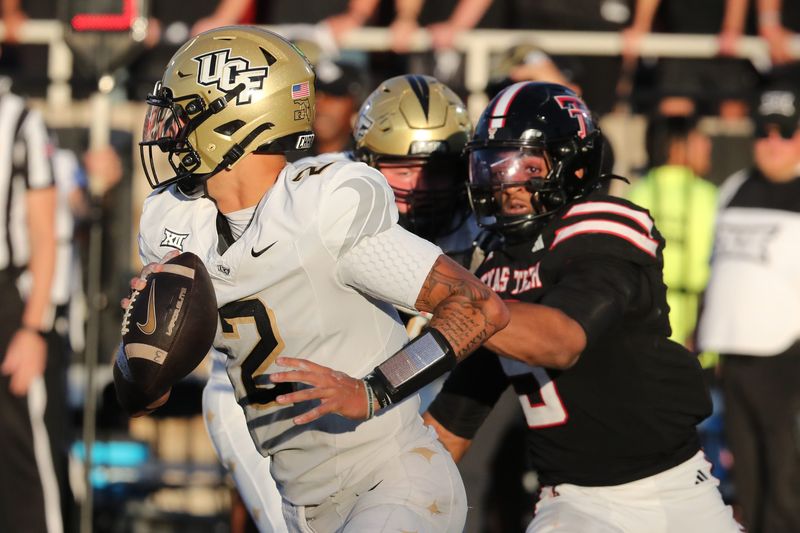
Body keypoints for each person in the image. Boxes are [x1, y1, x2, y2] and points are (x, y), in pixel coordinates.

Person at [120, 26, 508, 532]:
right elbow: (142, 399)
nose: (167, 129)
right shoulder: (174, 220)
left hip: (392, 483)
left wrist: (373, 391)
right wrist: (145, 348)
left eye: (184, 112)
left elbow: (479, 307)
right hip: (301, 503)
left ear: (235, 119)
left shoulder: (320, 207)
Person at [421, 81, 742, 533]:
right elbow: (452, 424)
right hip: (574, 503)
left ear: (572, 165)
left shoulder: (604, 228)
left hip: (676, 489)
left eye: (527, 165)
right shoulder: (493, 270)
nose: (508, 183)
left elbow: (561, 341)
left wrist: (432, 286)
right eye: (497, 166)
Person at [201, 73, 477, 532]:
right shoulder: (328, 197)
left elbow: (474, 318)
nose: (422, 186)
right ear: (365, 161)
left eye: (439, 170)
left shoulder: (476, 220)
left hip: (376, 394)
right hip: (268, 390)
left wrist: (377, 392)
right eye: (401, 169)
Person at [697, 87, 800, 533]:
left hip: (787, 355)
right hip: (734, 353)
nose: (772, 143)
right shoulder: (735, 187)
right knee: (747, 474)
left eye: (785, 133)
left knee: (785, 475)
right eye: (764, 133)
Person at [0, 90, 59, 532]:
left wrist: (32, 328)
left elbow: (44, 232)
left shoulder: (18, 119)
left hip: (5, 298)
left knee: (19, 450)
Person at [626, 114, 716, 352]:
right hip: (697, 326)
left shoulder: (637, 192)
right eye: (700, 139)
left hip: (641, 324)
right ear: (676, 146)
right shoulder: (708, 196)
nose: (708, 145)